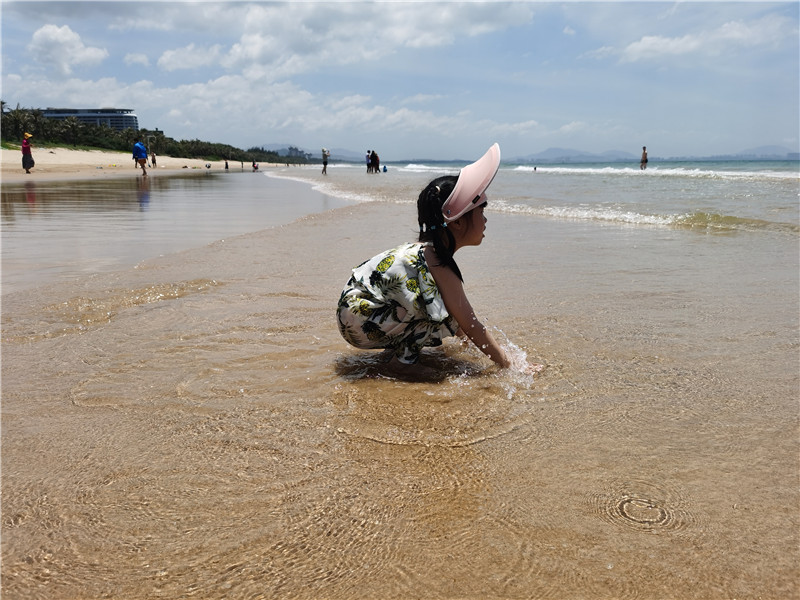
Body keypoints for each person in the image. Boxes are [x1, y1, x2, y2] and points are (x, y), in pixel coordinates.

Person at [337, 143, 541, 378]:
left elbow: (463, 323)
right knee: (440, 312)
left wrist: (468, 344)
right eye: (481, 212)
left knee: (440, 306)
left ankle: (397, 351)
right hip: (362, 319)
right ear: (456, 221)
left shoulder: (425, 252)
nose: (485, 220)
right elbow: (470, 323)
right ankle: (400, 364)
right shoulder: (436, 261)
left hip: (353, 315)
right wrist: (512, 365)